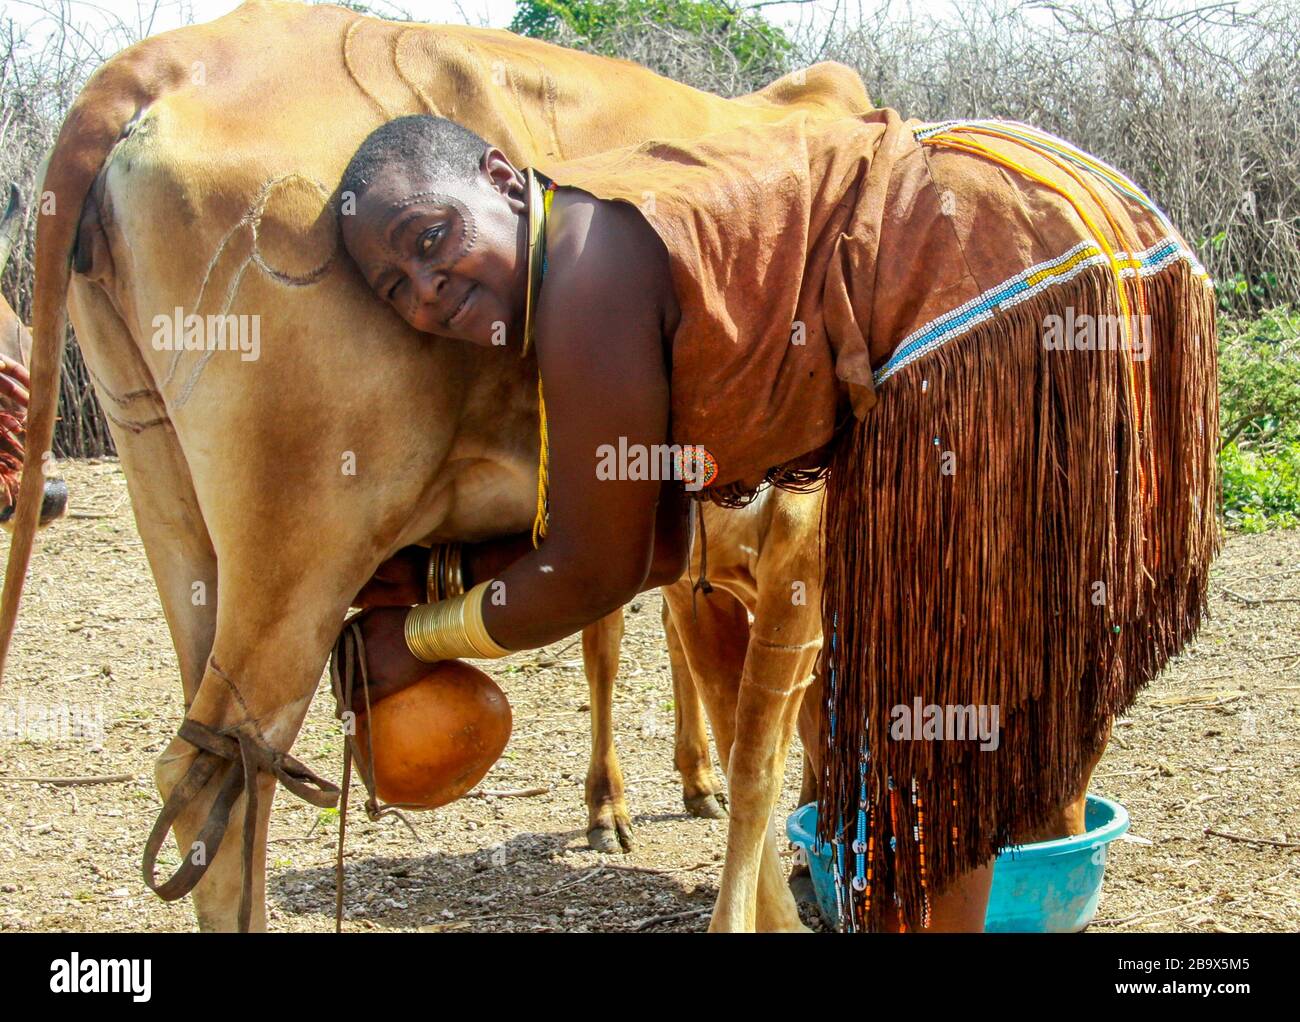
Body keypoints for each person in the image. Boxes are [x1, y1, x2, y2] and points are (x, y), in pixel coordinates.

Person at [336, 107, 1219, 932]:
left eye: (430, 238)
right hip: (1063, 239)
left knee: (934, 724)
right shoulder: (580, 252)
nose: (427, 289)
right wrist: (439, 577)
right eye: (394, 287)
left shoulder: (580, 270)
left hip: (982, 278)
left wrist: (415, 639)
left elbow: (592, 572)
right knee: (1001, 695)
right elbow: (662, 547)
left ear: (498, 177)